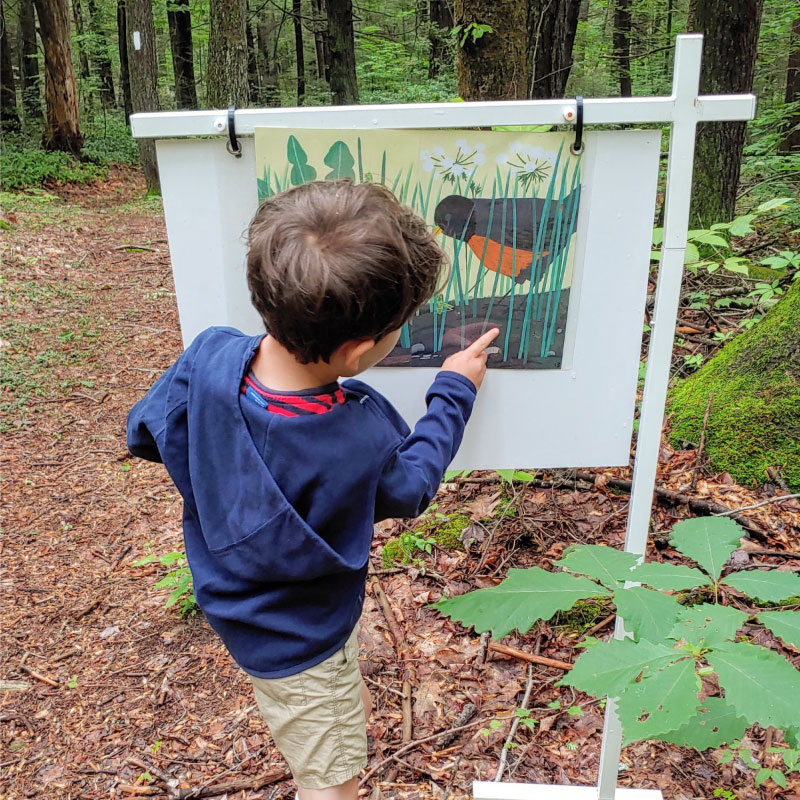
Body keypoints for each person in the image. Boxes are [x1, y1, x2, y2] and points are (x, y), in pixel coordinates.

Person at [127, 180, 499, 799]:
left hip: (236, 601)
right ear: (356, 351)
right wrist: (453, 388)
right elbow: (408, 489)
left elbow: (148, 430)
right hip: (302, 641)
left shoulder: (210, 355)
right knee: (332, 781)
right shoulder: (350, 435)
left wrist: (223, 486)